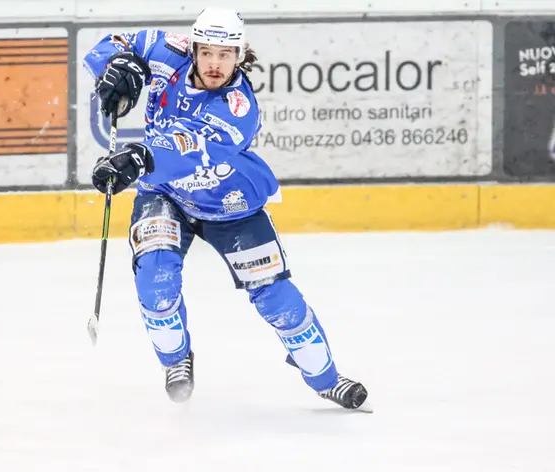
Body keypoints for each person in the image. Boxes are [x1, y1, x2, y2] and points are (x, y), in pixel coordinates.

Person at [82, 7, 371, 412]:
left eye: (226, 55)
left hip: (228, 201)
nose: (216, 64)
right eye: (208, 53)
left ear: (239, 55)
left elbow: (186, 150)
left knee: (276, 298)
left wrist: (140, 157)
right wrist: (118, 64)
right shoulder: (169, 49)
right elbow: (110, 47)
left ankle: (326, 379)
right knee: (155, 284)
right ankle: (176, 360)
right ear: (194, 48)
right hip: (164, 194)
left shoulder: (237, 110)